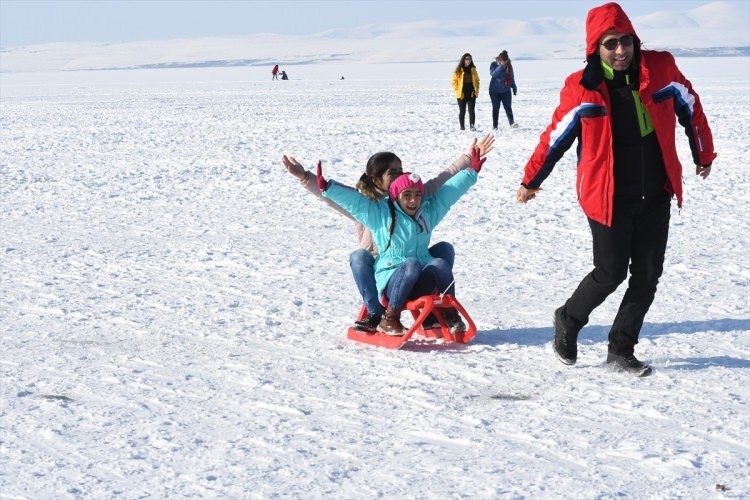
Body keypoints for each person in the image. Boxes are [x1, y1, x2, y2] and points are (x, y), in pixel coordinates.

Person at [516, 2, 716, 376]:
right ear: (596, 48)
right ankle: (568, 319)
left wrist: (702, 152)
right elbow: (555, 137)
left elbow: (691, 106)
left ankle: (621, 349)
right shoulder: (582, 87)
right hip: (606, 196)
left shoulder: (661, 68)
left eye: (626, 41)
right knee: (609, 273)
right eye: (611, 44)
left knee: (647, 275)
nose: (621, 50)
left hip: (655, 191)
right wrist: (532, 180)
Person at [282, 134, 495, 332]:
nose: (401, 176)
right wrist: (305, 177)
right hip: (383, 271)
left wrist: (469, 160)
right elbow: (333, 196)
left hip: (415, 265)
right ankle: (377, 313)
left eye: (400, 170)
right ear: (375, 180)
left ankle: (437, 310)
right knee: (359, 256)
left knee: (443, 251)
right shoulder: (369, 208)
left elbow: (446, 181)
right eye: (393, 173)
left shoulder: (417, 196)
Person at [489, 50, 518, 129]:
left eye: (506, 61)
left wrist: (514, 87)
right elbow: (493, 74)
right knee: (496, 108)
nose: (505, 63)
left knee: (508, 107)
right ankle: (495, 125)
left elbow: (511, 77)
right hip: (494, 91)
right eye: (503, 61)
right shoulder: (494, 64)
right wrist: (501, 66)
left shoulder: (509, 66)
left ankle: (512, 123)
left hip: (506, 90)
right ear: (500, 60)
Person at [451, 53, 480, 131]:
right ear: (463, 59)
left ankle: (472, 126)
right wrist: (457, 89)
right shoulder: (458, 70)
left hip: (471, 93)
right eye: (467, 59)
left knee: (471, 110)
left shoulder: (473, 69)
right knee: (462, 111)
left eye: (470, 59)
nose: (468, 60)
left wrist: (476, 88)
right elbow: (454, 81)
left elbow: (477, 80)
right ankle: (462, 127)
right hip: (461, 94)